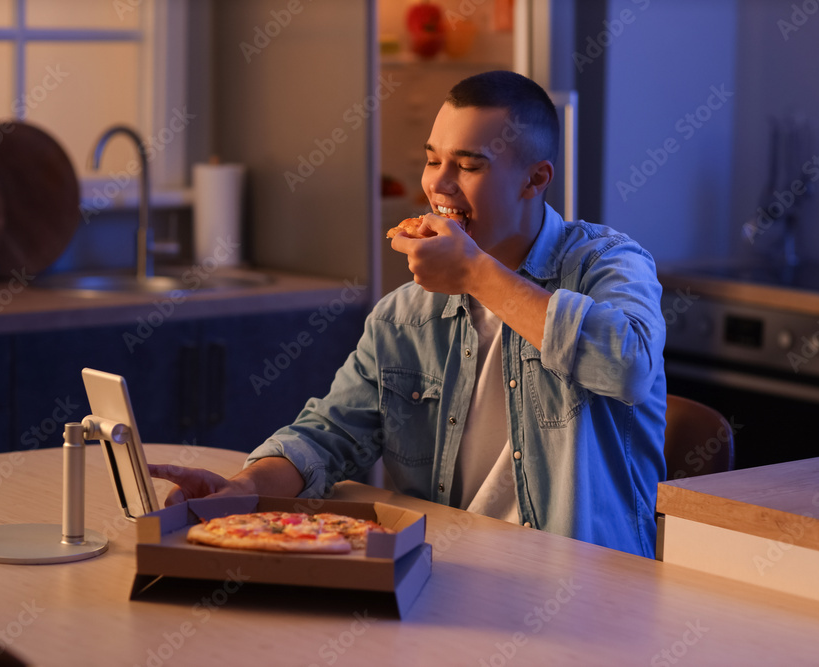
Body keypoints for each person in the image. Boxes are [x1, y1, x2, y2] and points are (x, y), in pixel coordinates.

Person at [150, 70, 667, 558]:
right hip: (446, 575)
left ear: (535, 179)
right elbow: (329, 434)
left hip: (583, 590)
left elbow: (628, 365)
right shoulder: (404, 314)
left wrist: (475, 274)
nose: (439, 186)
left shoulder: (608, 262)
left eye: (468, 165)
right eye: (432, 160)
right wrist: (241, 491)